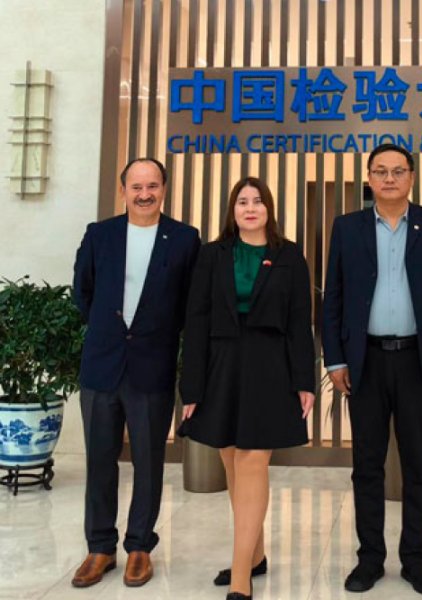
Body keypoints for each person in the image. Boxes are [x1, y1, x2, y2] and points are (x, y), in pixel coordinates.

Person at [322, 143, 422, 596]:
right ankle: (369, 559)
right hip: (363, 360)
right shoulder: (347, 227)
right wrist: (335, 357)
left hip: (417, 360)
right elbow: (333, 297)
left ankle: (415, 561)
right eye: (380, 171)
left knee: (418, 465)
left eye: (398, 171)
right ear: (369, 177)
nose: (389, 178)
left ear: (412, 177)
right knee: (366, 464)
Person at [179, 177, 316, 600]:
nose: (250, 208)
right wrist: (192, 387)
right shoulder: (212, 255)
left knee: (253, 459)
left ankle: (241, 575)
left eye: (258, 201)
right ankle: (255, 555)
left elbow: (300, 322)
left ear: (269, 208)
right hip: (221, 364)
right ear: (232, 210)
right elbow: (196, 321)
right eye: (242, 201)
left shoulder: (289, 255)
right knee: (231, 461)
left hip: (270, 366)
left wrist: (304, 381)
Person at [72, 158, 200, 588]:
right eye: (137, 186)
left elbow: (189, 304)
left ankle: (140, 546)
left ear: (164, 188)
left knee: (148, 461)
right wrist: (111, 331)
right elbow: (83, 292)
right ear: (123, 189)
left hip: (152, 365)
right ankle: (100, 547)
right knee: (99, 460)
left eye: (152, 186)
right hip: (102, 365)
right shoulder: (100, 234)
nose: (145, 194)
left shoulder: (184, 239)